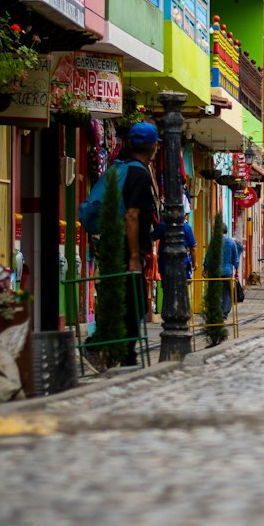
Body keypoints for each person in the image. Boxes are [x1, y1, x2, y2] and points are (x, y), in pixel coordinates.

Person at [122, 122, 161, 364]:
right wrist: (134, 256)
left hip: (115, 246)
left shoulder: (122, 168)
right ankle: (126, 355)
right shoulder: (140, 174)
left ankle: (125, 353)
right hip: (128, 252)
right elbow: (132, 215)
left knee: (127, 302)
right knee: (133, 304)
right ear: (153, 147)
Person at [205, 221, 241, 321]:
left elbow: (208, 257)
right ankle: (224, 313)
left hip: (216, 271)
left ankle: (216, 311)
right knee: (226, 292)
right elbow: (235, 258)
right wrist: (236, 270)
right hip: (227, 271)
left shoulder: (214, 242)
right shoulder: (231, 242)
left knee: (216, 291)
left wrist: (205, 269)